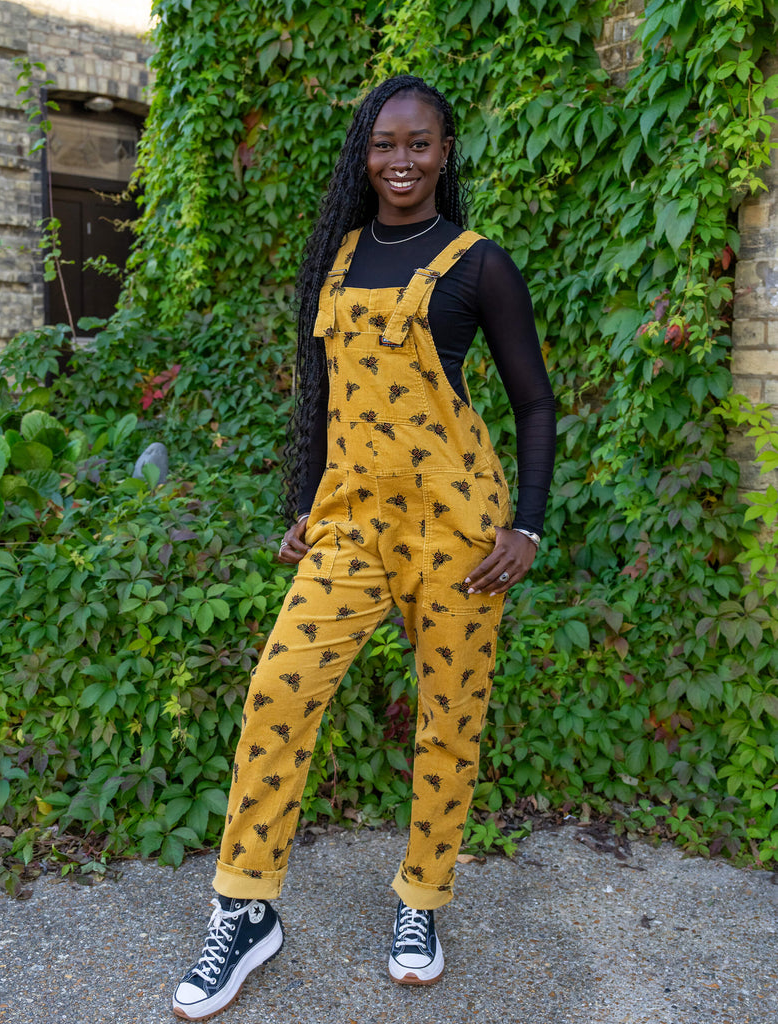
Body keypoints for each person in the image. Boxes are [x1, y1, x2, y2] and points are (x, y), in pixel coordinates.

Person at [172, 75, 556, 1021]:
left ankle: (420, 902)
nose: (400, 161)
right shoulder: (337, 258)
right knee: (277, 692)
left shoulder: (478, 265)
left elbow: (534, 403)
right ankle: (245, 907)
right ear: (366, 150)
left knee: (447, 721)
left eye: (419, 144)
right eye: (385, 143)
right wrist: (304, 501)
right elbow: (324, 393)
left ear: (444, 152)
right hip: (351, 525)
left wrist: (528, 524)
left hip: (458, 529)